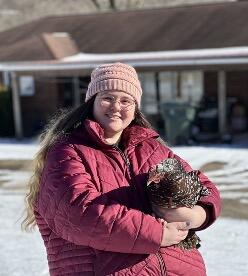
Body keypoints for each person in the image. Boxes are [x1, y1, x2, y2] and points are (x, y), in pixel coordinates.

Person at [22, 62, 221, 276]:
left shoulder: (152, 149)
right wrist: (158, 232)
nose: (117, 106)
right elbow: (78, 213)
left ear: (135, 107)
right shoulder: (68, 151)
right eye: (107, 97)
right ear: (92, 102)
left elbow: (201, 185)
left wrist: (196, 214)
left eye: (126, 100)